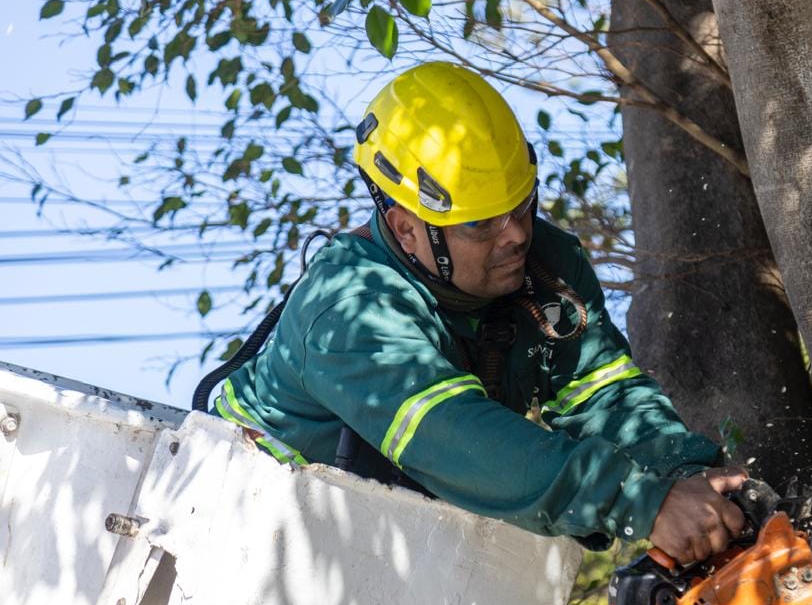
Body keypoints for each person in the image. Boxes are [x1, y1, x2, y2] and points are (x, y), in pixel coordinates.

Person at [212, 61, 744, 565]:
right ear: (406, 230)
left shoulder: (547, 269)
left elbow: (604, 394)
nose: (515, 235)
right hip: (251, 530)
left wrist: (684, 476)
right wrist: (639, 501)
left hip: (396, 536)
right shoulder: (349, 310)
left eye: (521, 205)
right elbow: (455, 436)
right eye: (480, 224)